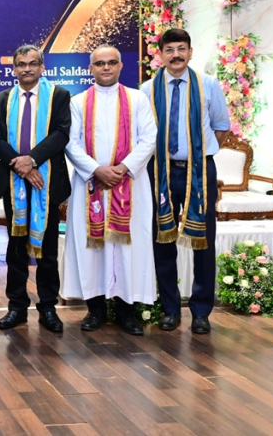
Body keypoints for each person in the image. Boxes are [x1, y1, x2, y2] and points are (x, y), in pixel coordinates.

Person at [140, 28, 230, 334]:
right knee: (162, 240)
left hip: (200, 171)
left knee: (203, 242)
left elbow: (221, 126)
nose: (176, 55)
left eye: (181, 49)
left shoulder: (208, 85)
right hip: (160, 172)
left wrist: (199, 154)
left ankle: (201, 312)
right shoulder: (147, 90)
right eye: (170, 49)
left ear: (190, 52)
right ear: (160, 55)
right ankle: (169, 309)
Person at [63, 46, 157, 335]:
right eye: (100, 63)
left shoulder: (138, 99)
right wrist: (96, 170)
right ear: (90, 68)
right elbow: (70, 142)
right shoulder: (78, 102)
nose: (106, 67)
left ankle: (127, 312)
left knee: (129, 248)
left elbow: (149, 138)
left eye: (111, 62)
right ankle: (95, 310)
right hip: (90, 185)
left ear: (120, 66)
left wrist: (123, 168)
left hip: (131, 185)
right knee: (92, 249)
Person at [0, 45, 71, 333]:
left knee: (48, 250)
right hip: (14, 181)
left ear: (42, 67)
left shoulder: (59, 96)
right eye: (21, 64)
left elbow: (62, 133)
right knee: (15, 250)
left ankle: (48, 307)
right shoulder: (2, 99)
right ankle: (17, 307)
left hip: (48, 181)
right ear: (14, 69)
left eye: (33, 63)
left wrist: (32, 160)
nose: (27, 69)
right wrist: (21, 165)